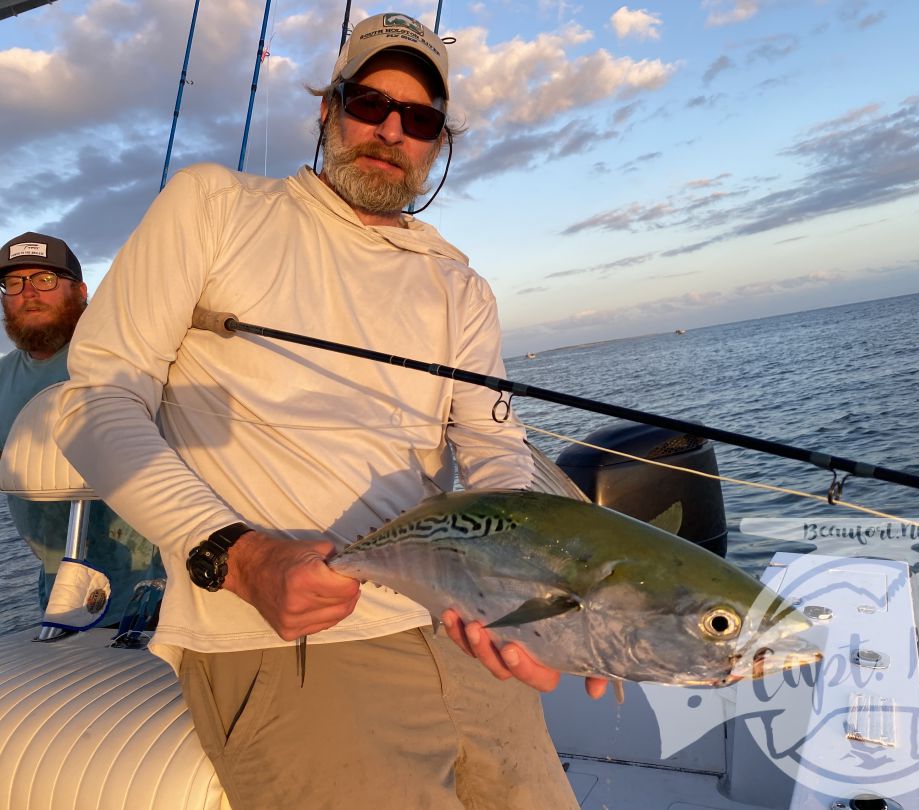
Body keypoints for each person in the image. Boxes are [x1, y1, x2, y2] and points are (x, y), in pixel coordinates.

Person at [55, 12, 598, 809]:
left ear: (437, 143)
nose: (389, 129)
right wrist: (237, 556)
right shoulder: (213, 208)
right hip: (288, 636)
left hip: (453, 627)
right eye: (368, 101)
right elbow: (96, 397)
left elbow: (494, 452)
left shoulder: (460, 285)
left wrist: (528, 610)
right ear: (326, 108)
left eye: (419, 119)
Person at [0, 231, 163, 628]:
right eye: (14, 282)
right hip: (59, 591)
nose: (29, 293)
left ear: (81, 289)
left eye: (45, 279)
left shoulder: (129, 351)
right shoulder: (3, 376)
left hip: (156, 588)